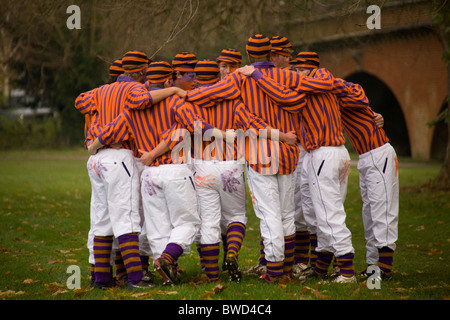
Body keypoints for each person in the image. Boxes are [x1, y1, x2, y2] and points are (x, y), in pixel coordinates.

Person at [186, 34, 334, 283]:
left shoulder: (240, 78)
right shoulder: (289, 76)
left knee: (269, 214)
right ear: (271, 53)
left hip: (259, 154)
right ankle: (287, 269)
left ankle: (274, 272)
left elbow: (205, 95)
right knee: (287, 214)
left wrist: (184, 95)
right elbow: (323, 84)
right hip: (289, 152)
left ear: (247, 52)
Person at [87, 60, 232, 286]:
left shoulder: (133, 109)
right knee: (188, 223)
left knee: (156, 228)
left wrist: (93, 146)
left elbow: (111, 131)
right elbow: (196, 125)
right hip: (175, 170)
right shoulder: (175, 102)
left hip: (149, 175)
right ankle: (167, 258)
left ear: (148, 81)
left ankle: (165, 273)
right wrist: (226, 135)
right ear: (167, 80)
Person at [238, 49, 359, 283]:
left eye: (302, 69)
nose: (297, 74)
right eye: (297, 69)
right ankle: (321, 268)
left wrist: (255, 75)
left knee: (329, 214)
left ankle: (346, 271)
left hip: (324, 152)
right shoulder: (323, 82)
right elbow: (351, 92)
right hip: (336, 153)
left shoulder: (311, 82)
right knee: (316, 214)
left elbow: (281, 96)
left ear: (313, 69)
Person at [77, 50, 186, 289]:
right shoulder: (134, 89)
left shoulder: (100, 91)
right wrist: (173, 90)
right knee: (126, 219)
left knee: (102, 220)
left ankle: (102, 279)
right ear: (139, 71)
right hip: (118, 156)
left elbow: (80, 101)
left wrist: (94, 138)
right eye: (145, 69)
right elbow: (140, 102)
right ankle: (136, 278)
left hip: (97, 161)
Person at [190, 59, 298, 282]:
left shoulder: (188, 101)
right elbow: (251, 123)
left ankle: (211, 274)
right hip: (232, 164)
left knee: (209, 221)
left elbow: (190, 126)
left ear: (196, 78)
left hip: (204, 166)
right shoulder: (235, 101)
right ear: (218, 76)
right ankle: (273, 266)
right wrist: (284, 136)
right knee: (239, 215)